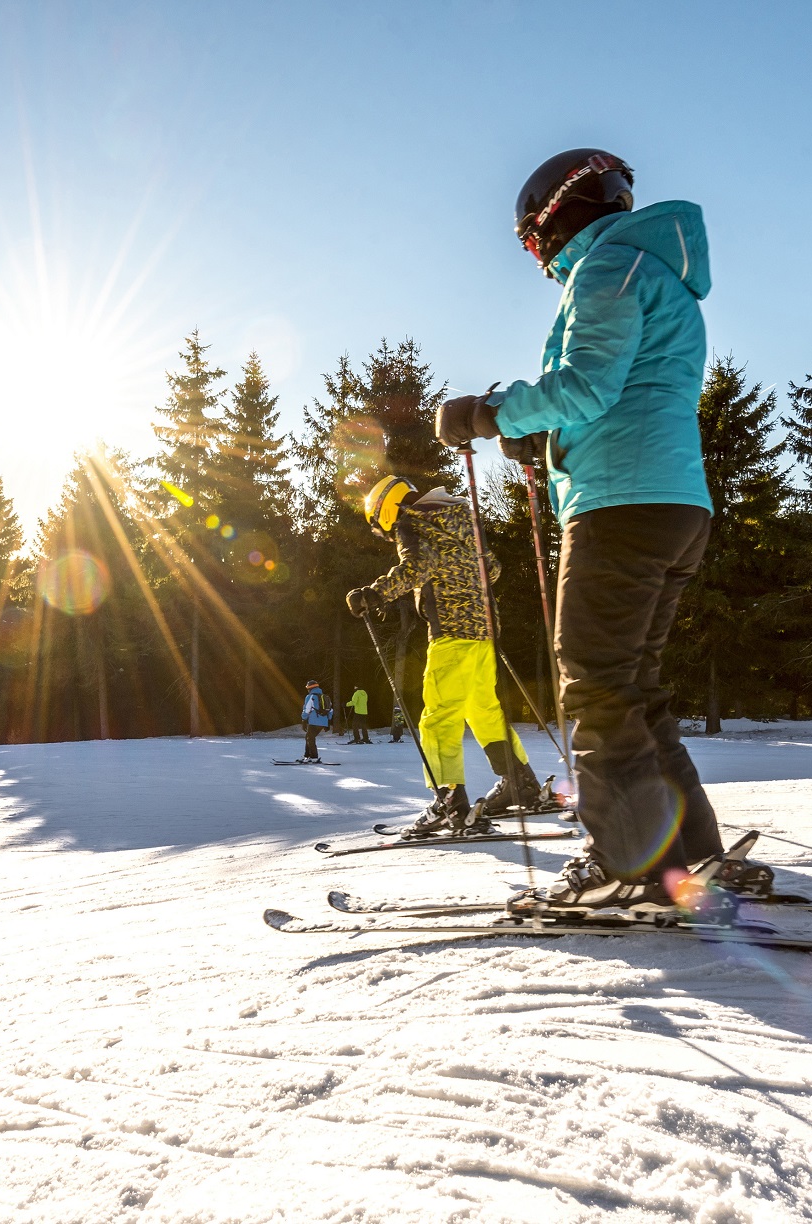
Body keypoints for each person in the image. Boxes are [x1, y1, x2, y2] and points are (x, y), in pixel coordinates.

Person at [434, 148, 733, 913]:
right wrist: (536, 430)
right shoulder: (655, 272)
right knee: (634, 690)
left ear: (555, 216)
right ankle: (688, 852)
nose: (538, 262)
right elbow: (621, 387)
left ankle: (627, 860)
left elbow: (590, 386)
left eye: (532, 243)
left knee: (597, 686)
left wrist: (488, 412)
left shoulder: (608, 270)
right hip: (670, 502)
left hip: (621, 507)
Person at [347, 475, 540, 835]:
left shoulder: (412, 523)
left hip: (451, 632)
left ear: (387, 511)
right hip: (484, 632)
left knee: (437, 719)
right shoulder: (462, 518)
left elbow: (418, 567)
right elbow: (492, 569)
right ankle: (520, 783)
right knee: (482, 709)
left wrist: (374, 594)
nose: (390, 536)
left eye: (384, 529)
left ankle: (449, 802)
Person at [300, 681, 330, 763]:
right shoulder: (324, 696)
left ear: (310, 688)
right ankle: (307, 756)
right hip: (323, 722)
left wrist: (304, 719)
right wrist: (327, 722)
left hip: (314, 721)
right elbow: (330, 710)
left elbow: (306, 710)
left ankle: (313, 757)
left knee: (310, 738)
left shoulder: (310, 696)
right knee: (309, 737)